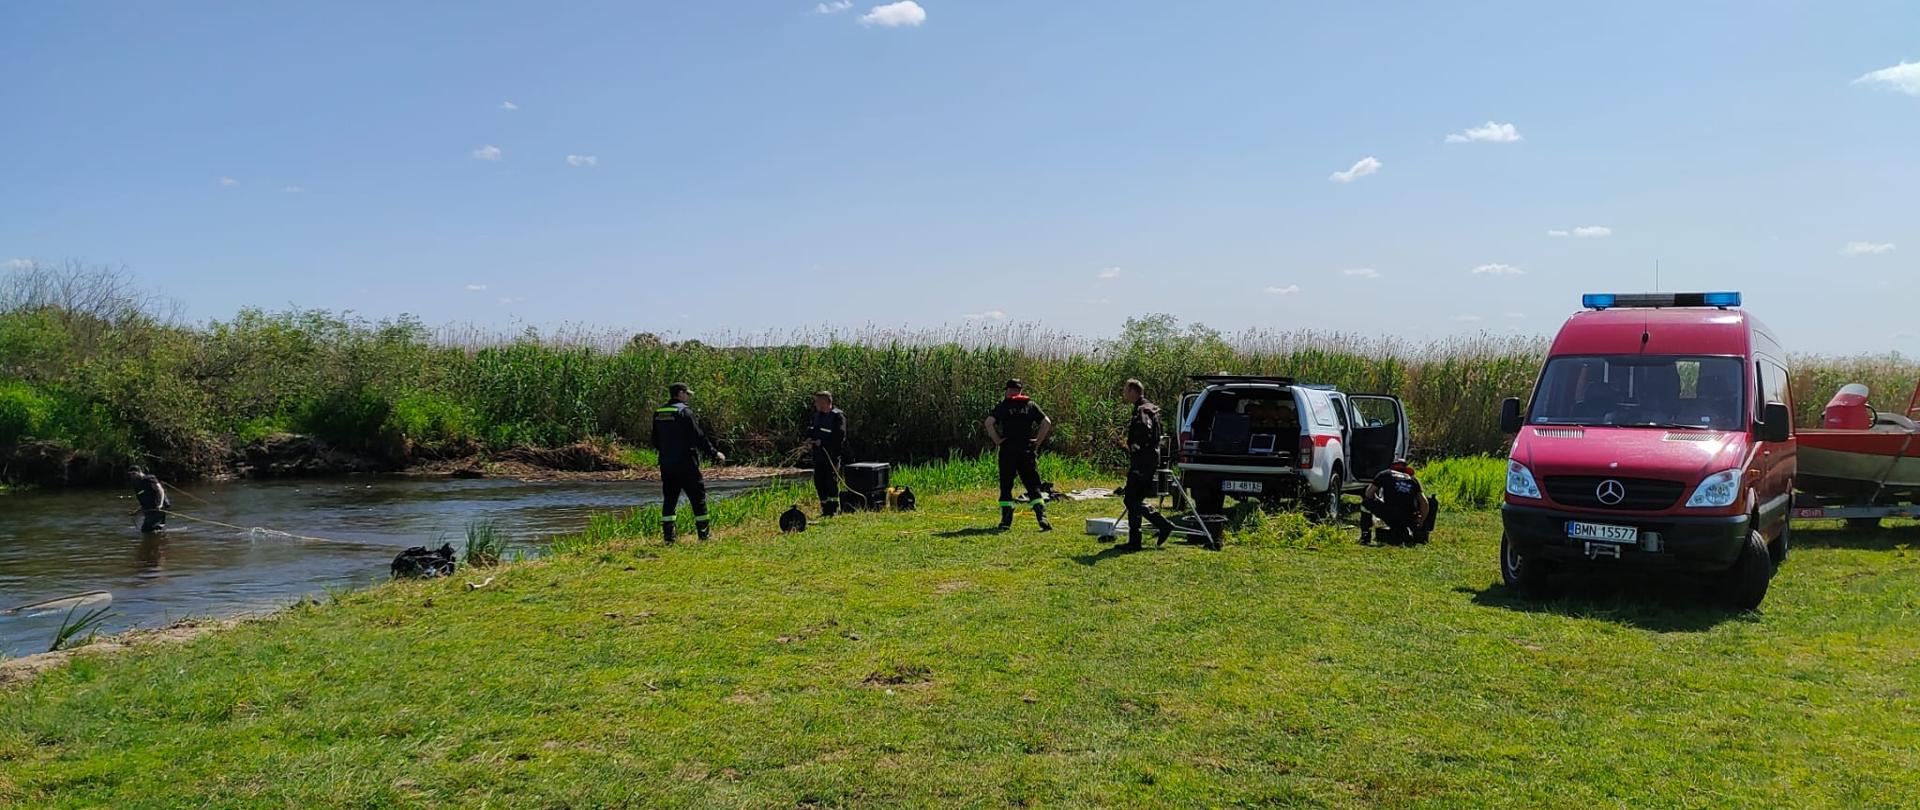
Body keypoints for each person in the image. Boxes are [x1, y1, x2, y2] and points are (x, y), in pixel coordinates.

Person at [650, 383, 725, 543]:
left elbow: (655, 441)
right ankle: (704, 535)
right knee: (698, 498)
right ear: (680, 393)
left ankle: (669, 538)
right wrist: (714, 453)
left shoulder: (659, 413)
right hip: (686, 464)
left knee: (669, 500)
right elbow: (698, 437)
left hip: (667, 464)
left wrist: (668, 451)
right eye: (687, 394)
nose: (688, 397)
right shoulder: (685, 412)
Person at [984, 378, 1054, 531]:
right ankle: (1041, 517)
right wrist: (1037, 442)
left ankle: (1006, 521)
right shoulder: (1030, 405)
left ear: (1008, 391)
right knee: (1033, 486)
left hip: (1008, 450)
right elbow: (1047, 422)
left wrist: (998, 441)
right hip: (1026, 450)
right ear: (1020, 391)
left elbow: (988, 422)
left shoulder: (1004, 406)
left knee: (1006, 486)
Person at [1119, 379, 1177, 550]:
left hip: (1142, 461)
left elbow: (1145, 429)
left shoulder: (1142, 410)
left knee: (1131, 498)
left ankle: (1163, 524)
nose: (1124, 393)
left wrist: (1135, 447)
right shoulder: (1150, 408)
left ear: (1133, 392)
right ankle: (1134, 541)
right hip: (1150, 459)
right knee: (1135, 499)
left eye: (1125, 390)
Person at [1359, 459, 1438, 546]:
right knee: (1432, 502)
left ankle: (1365, 535)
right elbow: (1425, 503)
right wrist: (1420, 521)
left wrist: (1378, 500)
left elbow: (1368, 493)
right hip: (1408, 518)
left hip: (1389, 515)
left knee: (1365, 504)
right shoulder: (1413, 480)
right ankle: (1420, 533)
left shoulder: (1384, 474)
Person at [804, 390, 850, 516]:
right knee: (819, 481)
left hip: (831, 455)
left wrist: (823, 442)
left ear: (825, 402)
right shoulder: (817, 415)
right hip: (818, 456)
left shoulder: (837, 416)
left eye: (817, 401)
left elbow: (840, 436)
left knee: (831, 481)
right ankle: (825, 508)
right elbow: (811, 429)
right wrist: (809, 439)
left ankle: (833, 509)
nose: (815, 404)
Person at [128, 467, 171, 533]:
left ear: (139, 472)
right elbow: (146, 500)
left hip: (157, 508)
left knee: (147, 529)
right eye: (130, 474)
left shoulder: (149, 479)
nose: (132, 476)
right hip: (149, 509)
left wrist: (160, 504)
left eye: (134, 473)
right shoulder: (138, 483)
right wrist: (137, 511)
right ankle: (161, 537)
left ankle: (158, 538)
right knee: (151, 529)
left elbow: (160, 491)